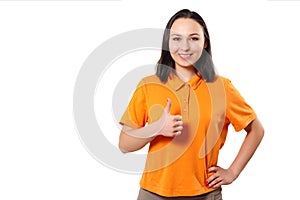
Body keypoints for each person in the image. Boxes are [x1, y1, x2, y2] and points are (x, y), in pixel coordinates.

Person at [118, 9, 264, 200]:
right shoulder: (148, 85)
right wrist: (156, 128)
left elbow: (256, 130)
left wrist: (232, 172)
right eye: (176, 38)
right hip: (153, 193)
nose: (184, 47)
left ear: (205, 42)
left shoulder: (222, 88)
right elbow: (124, 145)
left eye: (193, 38)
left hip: (205, 193)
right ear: (167, 43)